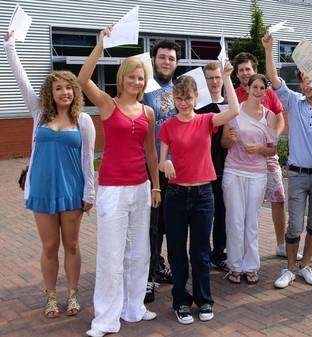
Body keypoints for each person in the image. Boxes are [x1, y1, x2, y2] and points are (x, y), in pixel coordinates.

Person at [4, 31, 95, 319]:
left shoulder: (83, 121)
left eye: (69, 88)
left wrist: (89, 193)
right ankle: (51, 297)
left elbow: (88, 159)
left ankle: (72, 294)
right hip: (42, 189)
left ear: (74, 92)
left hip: (71, 189)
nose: (65, 93)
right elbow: (21, 79)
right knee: (49, 246)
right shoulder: (38, 112)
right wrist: (9, 45)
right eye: (59, 88)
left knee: (71, 244)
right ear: (50, 92)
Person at [78, 27, 161, 337]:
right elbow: (83, 79)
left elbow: (150, 152)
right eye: (132, 77)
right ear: (123, 77)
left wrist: (155, 186)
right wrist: (100, 46)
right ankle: (105, 319)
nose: (136, 82)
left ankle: (134, 307)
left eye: (141, 78)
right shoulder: (107, 105)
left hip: (141, 188)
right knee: (111, 255)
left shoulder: (149, 112)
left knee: (140, 252)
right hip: (112, 188)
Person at [158, 61, 239, 324]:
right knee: (177, 252)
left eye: (188, 97)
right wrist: (166, 163)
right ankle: (181, 301)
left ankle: (204, 300)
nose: (183, 102)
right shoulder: (168, 126)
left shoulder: (207, 120)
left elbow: (235, 110)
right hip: (176, 196)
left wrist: (227, 78)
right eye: (179, 98)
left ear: (196, 97)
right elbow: (161, 161)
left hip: (204, 195)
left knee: (201, 253)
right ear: (174, 99)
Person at [263, 33, 312, 289]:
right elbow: (273, 78)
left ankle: (306, 265)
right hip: (298, 175)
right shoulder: (294, 103)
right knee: (295, 224)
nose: (306, 85)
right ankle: (290, 267)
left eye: (311, 80)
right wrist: (269, 50)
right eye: (303, 80)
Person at [233, 52, 302, 261]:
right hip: (242, 159)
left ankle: (281, 244)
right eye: (241, 70)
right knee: (244, 205)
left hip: (268, 157)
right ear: (237, 74)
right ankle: (243, 248)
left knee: (278, 199)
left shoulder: (268, 93)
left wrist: (273, 136)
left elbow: (280, 119)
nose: (245, 73)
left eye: (248, 69)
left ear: (255, 70)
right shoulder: (234, 95)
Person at [221, 74, 278, 284]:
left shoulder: (269, 116)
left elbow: (273, 150)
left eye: (262, 87)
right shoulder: (234, 110)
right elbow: (223, 144)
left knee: (251, 221)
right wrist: (230, 138)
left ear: (266, 91)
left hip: (257, 174)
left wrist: (261, 148)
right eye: (255, 86)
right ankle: (235, 266)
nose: (258, 90)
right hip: (234, 171)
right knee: (235, 220)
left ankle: (251, 266)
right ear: (248, 88)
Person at [142, 40, 180, 304]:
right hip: (149, 168)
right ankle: (148, 276)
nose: (167, 62)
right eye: (162, 57)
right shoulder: (143, 88)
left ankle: (160, 264)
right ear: (153, 59)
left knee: (169, 224)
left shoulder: (181, 90)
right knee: (150, 226)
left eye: (171, 58)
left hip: (175, 169)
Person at [196, 62, 228, 271]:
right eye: (210, 78)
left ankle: (219, 253)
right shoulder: (198, 107)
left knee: (222, 213)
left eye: (217, 77)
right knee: (204, 215)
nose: (214, 82)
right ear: (204, 80)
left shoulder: (229, 105)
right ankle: (203, 254)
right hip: (203, 169)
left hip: (225, 167)